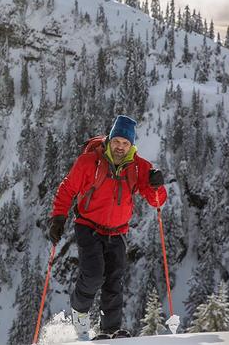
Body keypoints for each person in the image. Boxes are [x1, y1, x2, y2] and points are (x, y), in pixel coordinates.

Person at [48, 115, 167, 340]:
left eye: (125, 143)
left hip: (118, 231)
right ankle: (80, 315)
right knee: (93, 275)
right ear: (110, 140)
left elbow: (157, 201)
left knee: (114, 280)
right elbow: (67, 188)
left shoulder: (140, 168)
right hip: (88, 226)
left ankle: (110, 330)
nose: (120, 147)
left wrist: (157, 186)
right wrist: (58, 218)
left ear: (131, 145)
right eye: (117, 141)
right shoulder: (89, 163)